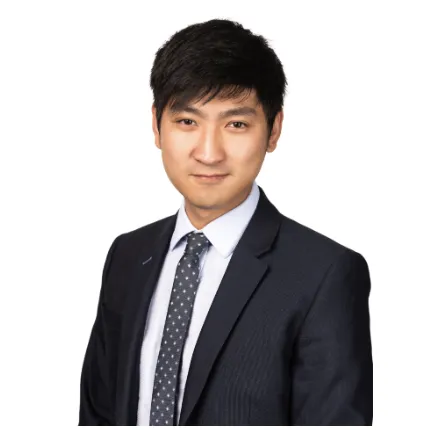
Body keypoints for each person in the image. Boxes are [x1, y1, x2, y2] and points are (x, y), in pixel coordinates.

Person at [78, 18, 372, 426]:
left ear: (273, 130)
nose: (209, 152)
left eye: (236, 124)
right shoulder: (128, 255)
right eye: (187, 122)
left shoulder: (325, 274)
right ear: (156, 125)